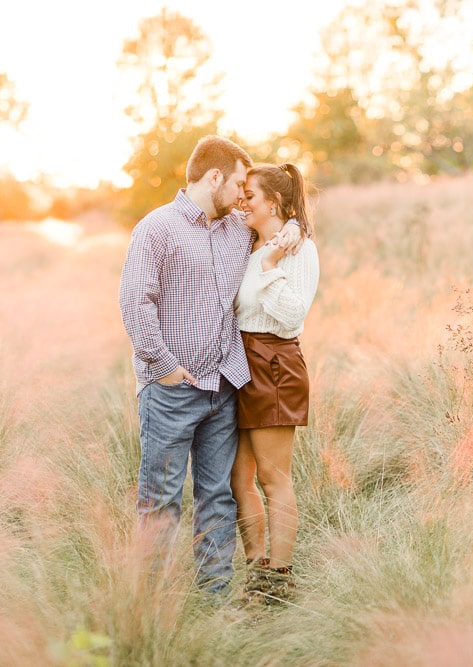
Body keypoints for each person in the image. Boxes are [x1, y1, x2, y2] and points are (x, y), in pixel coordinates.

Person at [118, 136, 302, 596]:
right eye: (239, 183)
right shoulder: (156, 228)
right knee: (160, 502)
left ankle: (214, 602)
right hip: (171, 389)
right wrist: (164, 368)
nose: (244, 195)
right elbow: (134, 301)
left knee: (217, 498)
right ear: (214, 177)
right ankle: (150, 605)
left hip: (224, 388)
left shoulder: (237, 230)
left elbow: (275, 223)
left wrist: (295, 227)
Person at [230, 162, 319, 604]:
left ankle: (279, 581)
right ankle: (256, 569)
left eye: (250, 193)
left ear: (275, 203)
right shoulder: (249, 241)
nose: (242, 200)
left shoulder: (297, 250)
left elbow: (291, 316)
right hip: (241, 363)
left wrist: (270, 264)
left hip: (275, 362)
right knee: (237, 478)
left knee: (272, 476)